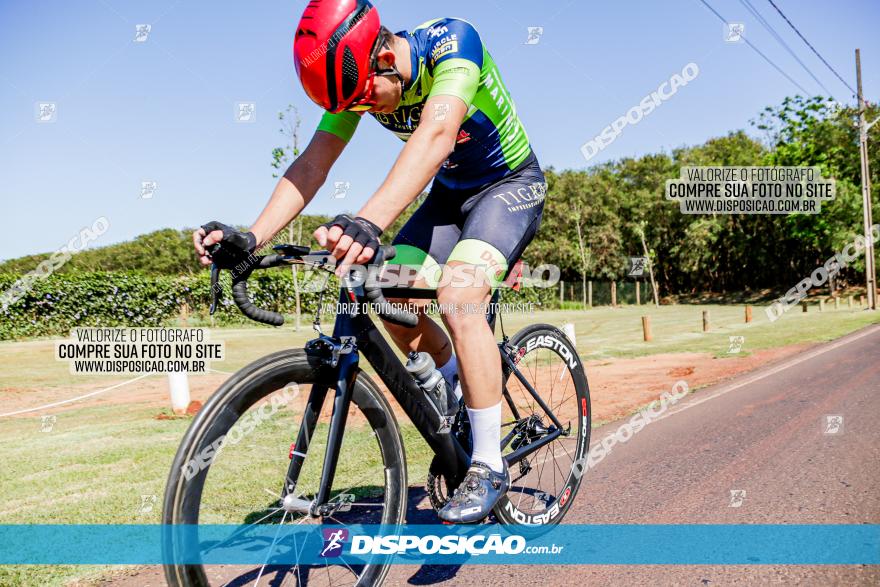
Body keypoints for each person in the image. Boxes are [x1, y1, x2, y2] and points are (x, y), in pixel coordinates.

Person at [192, 0, 546, 523]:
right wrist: (253, 235)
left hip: (508, 186)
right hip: (448, 198)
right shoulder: (355, 84)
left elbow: (435, 136)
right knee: (385, 287)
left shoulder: (452, 43)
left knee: (459, 297)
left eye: (367, 100)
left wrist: (368, 221)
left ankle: (489, 465)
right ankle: (456, 388)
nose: (368, 111)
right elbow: (314, 161)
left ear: (383, 56)